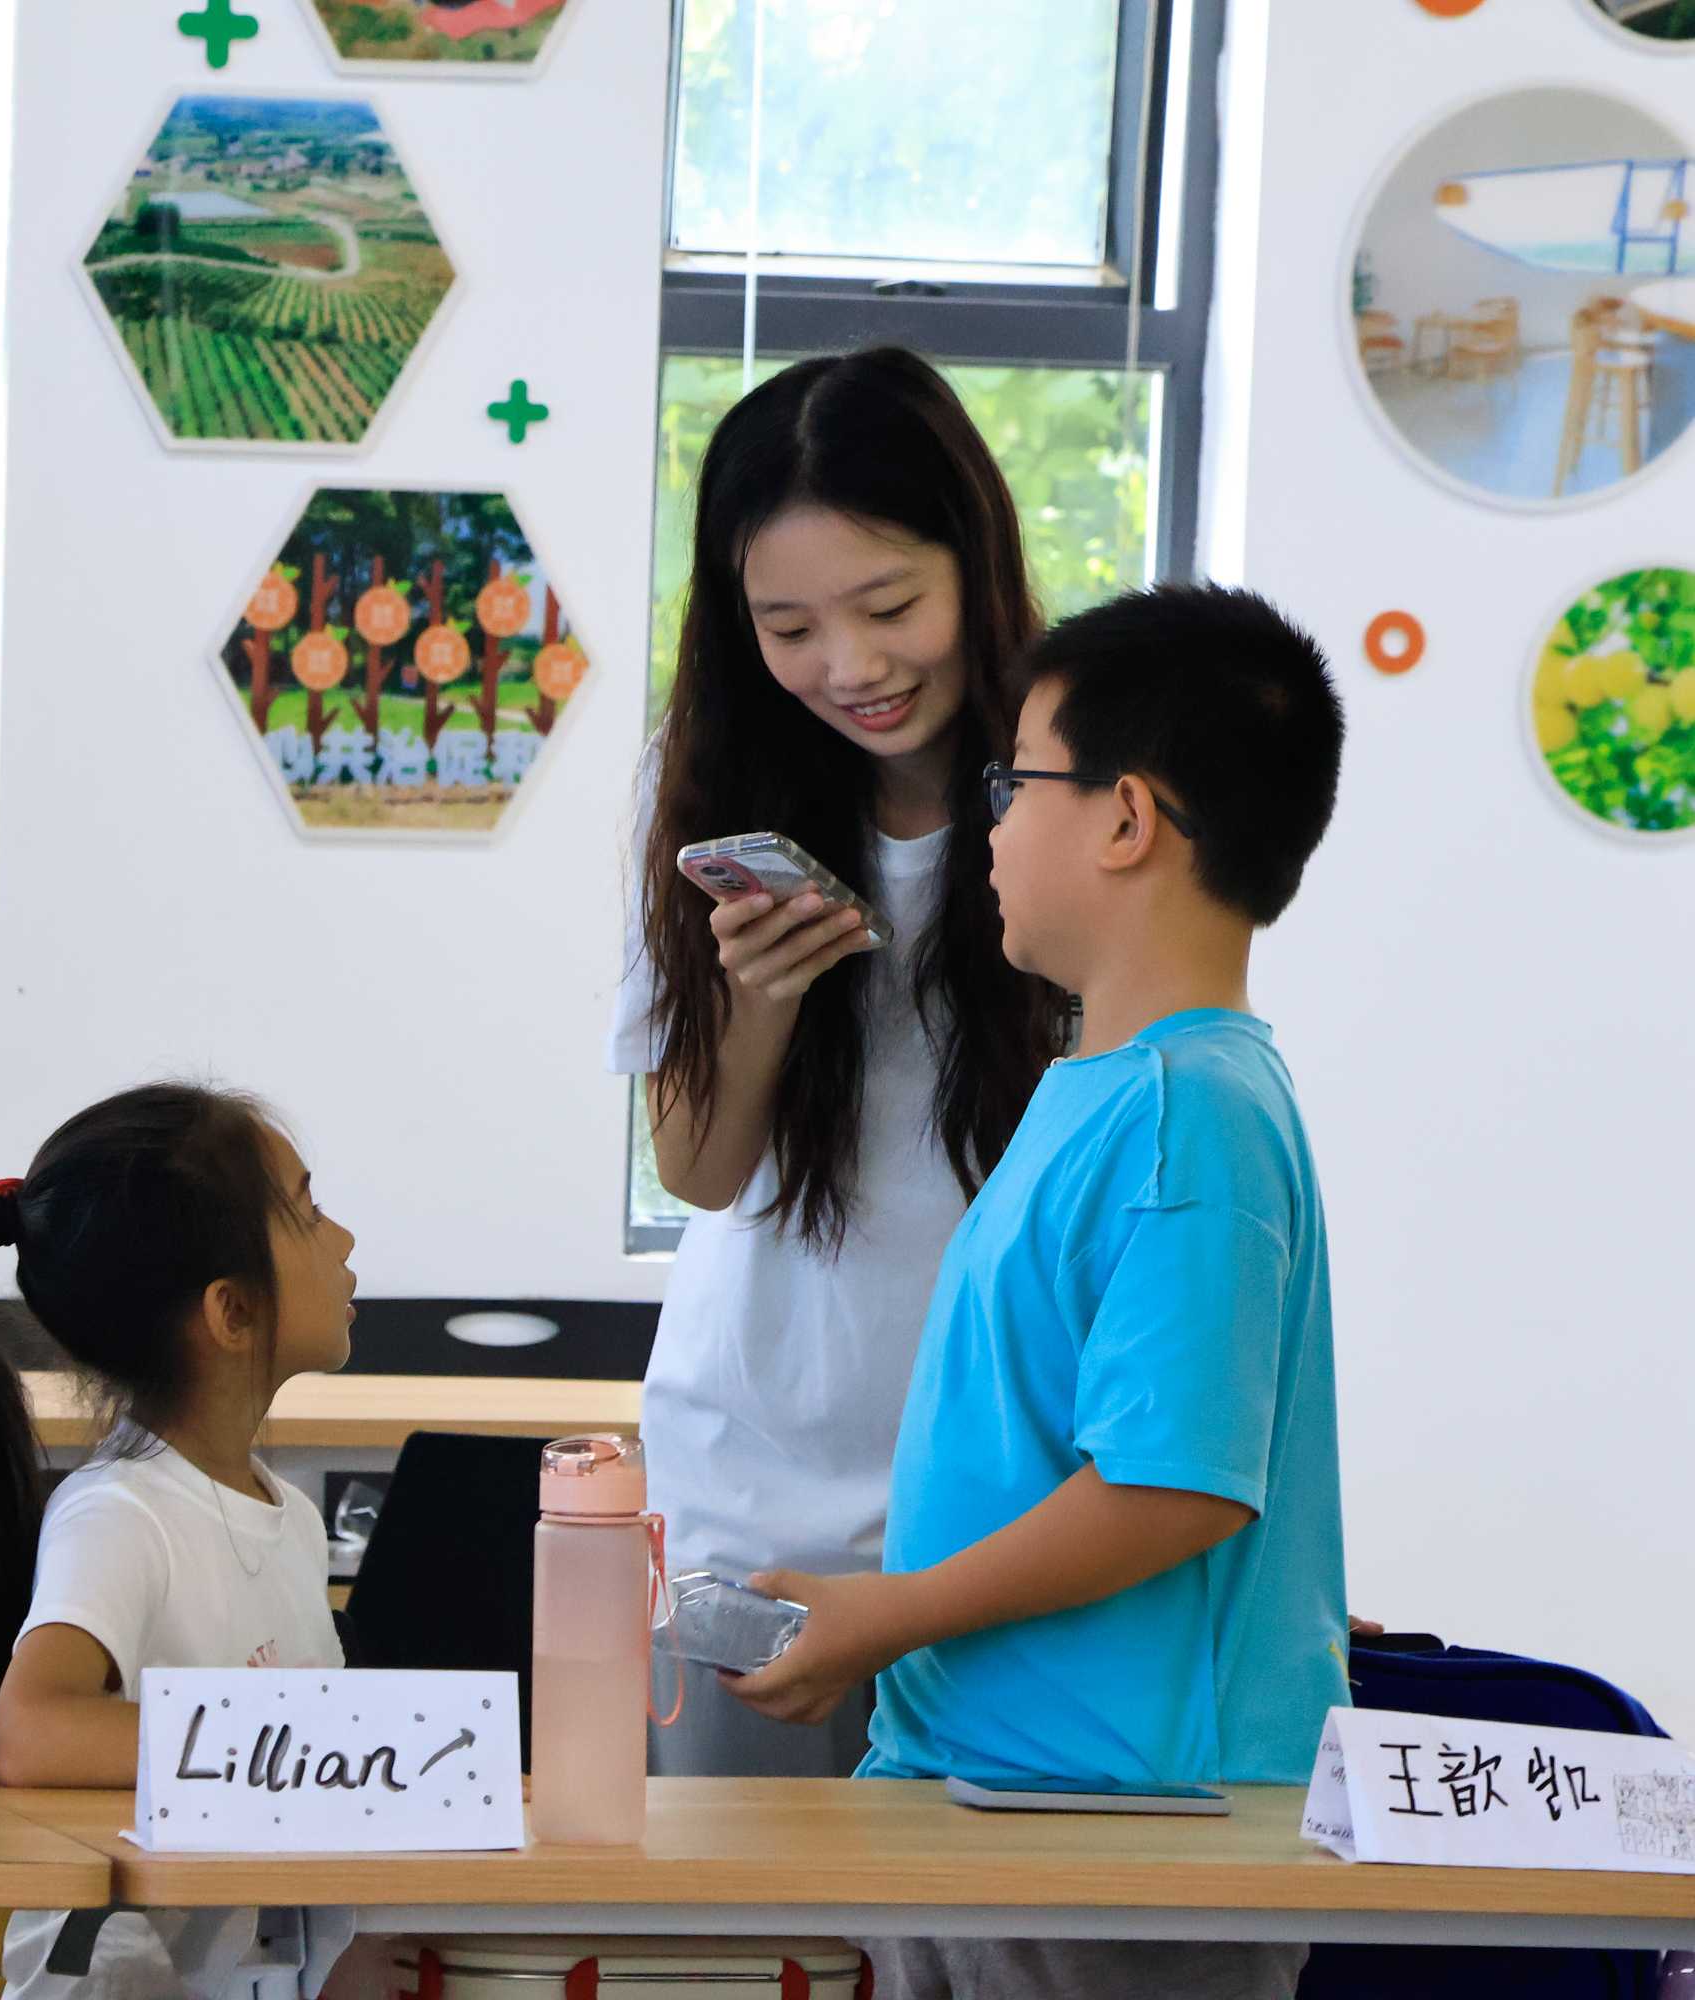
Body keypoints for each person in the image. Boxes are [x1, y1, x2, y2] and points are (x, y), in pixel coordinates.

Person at [728, 584, 1350, 2000]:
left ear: (1125, 819)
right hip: (1007, 1794)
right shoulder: (1109, 1091)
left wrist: (887, 1613)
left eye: (1015, 784)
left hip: (1118, 1834)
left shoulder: (1191, 1113)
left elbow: (1171, 1488)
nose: (990, 824)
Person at [611, 348, 1068, 1778]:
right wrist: (758, 1001)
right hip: (751, 1506)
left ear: (976, 563)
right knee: (748, 1910)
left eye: (889, 607)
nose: (851, 668)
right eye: (789, 626)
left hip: (1003, 1523)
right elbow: (700, 1172)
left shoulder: (1082, 786)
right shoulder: (706, 787)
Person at [0, 1083, 358, 2000]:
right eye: (307, 1212)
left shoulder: (291, 1518)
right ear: (231, 1313)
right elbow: (32, 1730)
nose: (342, 1239)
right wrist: (287, 1743)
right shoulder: (121, 1514)